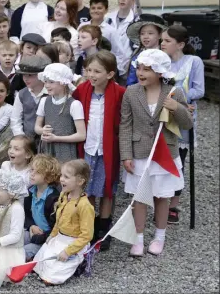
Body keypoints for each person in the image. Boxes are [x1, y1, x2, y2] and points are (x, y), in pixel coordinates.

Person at [120, 49, 193, 256]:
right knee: (139, 198)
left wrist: (176, 107)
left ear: (160, 72)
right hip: (139, 153)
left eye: (148, 70)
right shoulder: (131, 92)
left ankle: (159, 237)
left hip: (165, 153)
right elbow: (125, 125)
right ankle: (138, 238)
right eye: (140, 68)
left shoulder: (173, 92)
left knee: (162, 197)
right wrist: (126, 154)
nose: (141, 73)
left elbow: (186, 123)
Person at [72, 50, 126, 251]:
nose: (92, 75)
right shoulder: (82, 90)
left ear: (110, 74)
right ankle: (89, 226)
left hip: (107, 148)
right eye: (89, 70)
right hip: (87, 146)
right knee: (89, 188)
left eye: (97, 71)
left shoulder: (120, 92)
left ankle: (104, 227)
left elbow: (124, 120)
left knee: (106, 189)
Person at [161, 25, 205, 223]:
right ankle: (160, 199)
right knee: (162, 157)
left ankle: (173, 204)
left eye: (167, 41)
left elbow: (199, 90)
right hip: (161, 115)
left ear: (180, 44)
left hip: (182, 115)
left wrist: (179, 98)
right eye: (162, 40)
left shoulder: (193, 61)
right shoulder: (161, 61)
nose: (162, 44)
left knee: (178, 160)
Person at [33, 159, 94, 285]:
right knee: (39, 263)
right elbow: (59, 219)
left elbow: (86, 235)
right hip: (60, 237)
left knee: (52, 276)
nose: (61, 179)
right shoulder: (64, 195)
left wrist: (68, 251)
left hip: (74, 242)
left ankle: (80, 261)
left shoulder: (85, 206)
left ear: (80, 181)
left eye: (66, 177)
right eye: (61, 175)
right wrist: (52, 235)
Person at [35, 63, 86, 162]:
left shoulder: (74, 104)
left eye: (51, 82)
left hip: (65, 152)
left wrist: (56, 138)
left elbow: (81, 135)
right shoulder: (44, 101)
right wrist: (42, 130)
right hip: (47, 150)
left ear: (63, 82)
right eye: (45, 81)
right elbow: (37, 127)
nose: (47, 85)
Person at [23, 154, 61, 260]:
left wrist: (43, 237)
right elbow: (27, 214)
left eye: (38, 172)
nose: (32, 174)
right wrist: (31, 226)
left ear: (48, 178)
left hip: (48, 237)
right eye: (32, 170)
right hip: (33, 231)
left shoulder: (53, 199)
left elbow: (58, 226)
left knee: (23, 252)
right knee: (15, 239)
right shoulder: (30, 192)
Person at [9, 55, 51, 140]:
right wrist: (21, 137)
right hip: (27, 140)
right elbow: (15, 119)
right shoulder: (21, 94)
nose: (26, 79)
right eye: (24, 75)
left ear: (41, 75)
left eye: (30, 75)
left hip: (48, 139)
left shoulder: (51, 93)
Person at [105, 0, 139, 80]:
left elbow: (136, 47)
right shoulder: (107, 18)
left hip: (126, 66)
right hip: (107, 63)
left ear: (133, 0)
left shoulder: (136, 21)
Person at [125, 14, 167, 86]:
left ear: (160, 35)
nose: (146, 37)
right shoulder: (136, 57)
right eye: (142, 34)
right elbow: (131, 82)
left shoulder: (166, 56)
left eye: (150, 33)